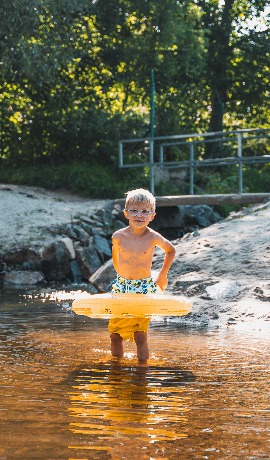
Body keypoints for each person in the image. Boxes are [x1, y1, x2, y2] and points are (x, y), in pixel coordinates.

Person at [109, 188, 176, 364]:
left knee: (140, 335)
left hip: (144, 288)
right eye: (134, 210)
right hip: (122, 287)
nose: (139, 215)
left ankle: (142, 371)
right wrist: (121, 277)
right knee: (115, 334)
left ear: (152, 216)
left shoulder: (152, 237)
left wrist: (162, 276)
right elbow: (116, 258)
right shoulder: (118, 237)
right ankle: (116, 369)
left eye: (145, 211)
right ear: (126, 213)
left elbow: (171, 250)